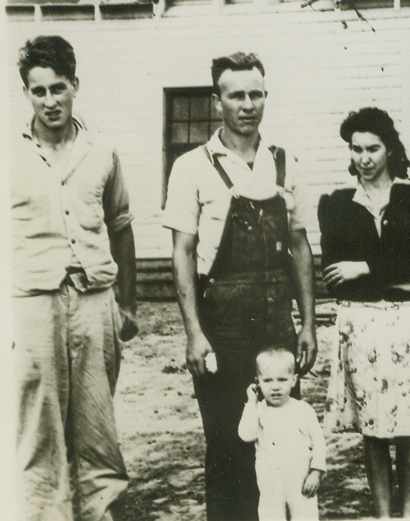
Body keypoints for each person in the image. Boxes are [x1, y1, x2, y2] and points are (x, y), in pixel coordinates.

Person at [163, 52, 318, 520]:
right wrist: (194, 332)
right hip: (222, 324)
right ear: (217, 101)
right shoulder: (192, 166)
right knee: (229, 444)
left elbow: (300, 247)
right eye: (236, 95)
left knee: (282, 442)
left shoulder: (286, 163)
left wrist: (308, 324)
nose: (247, 104)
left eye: (256, 94)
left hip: (276, 322)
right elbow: (183, 254)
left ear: (265, 97)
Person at [11, 35, 137, 520]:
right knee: (37, 422)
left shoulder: (100, 149)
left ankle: (99, 512)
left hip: (93, 300)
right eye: (38, 91)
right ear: (26, 93)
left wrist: (128, 304)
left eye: (58, 89)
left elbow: (121, 225)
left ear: (75, 86)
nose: (49, 102)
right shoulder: (9, 153)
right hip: (30, 303)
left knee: (96, 419)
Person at [320, 107, 410, 518]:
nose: (364, 158)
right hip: (361, 324)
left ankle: (408, 512)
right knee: (373, 429)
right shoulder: (338, 205)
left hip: (409, 321)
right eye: (356, 149)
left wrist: (368, 266)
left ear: (390, 149)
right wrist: (392, 267)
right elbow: (335, 273)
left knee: (409, 425)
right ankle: (382, 514)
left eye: (372, 148)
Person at [238, 345, 327, 520]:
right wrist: (251, 402)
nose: (275, 387)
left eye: (282, 380)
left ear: (293, 380)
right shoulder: (259, 410)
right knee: (271, 515)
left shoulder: (303, 410)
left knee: (305, 515)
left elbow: (319, 443)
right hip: (270, 482)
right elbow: (246, 435)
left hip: (300, 480)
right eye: (268, 381)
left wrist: (316, 472)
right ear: (258, 382)